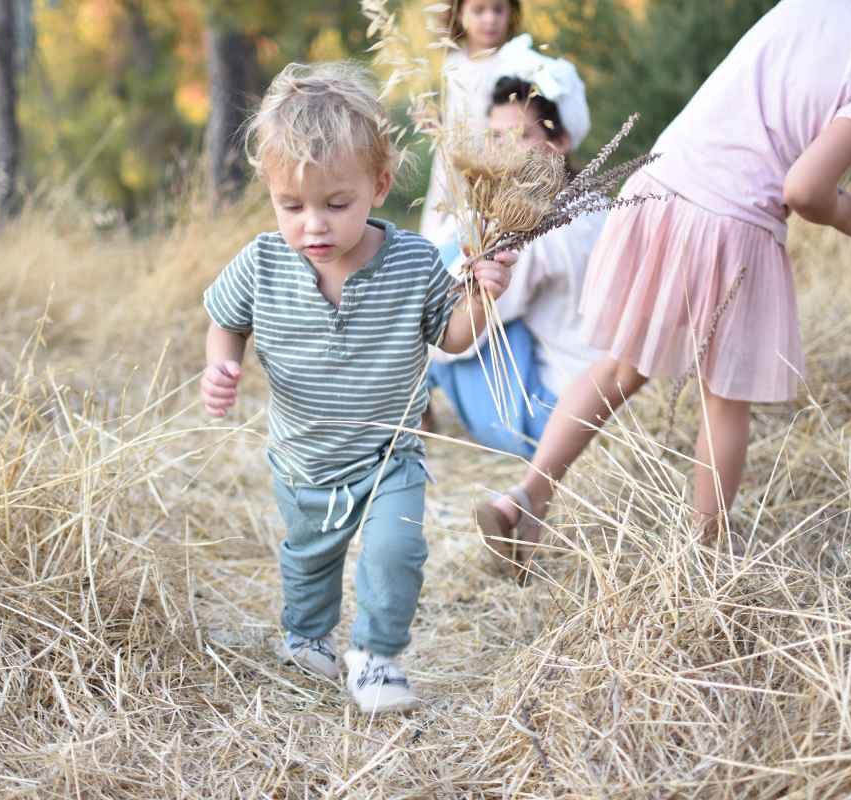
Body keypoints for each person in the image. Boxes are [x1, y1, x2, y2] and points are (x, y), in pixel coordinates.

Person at [473, 0, 851, 578]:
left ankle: (526, 496)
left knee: (619, 366)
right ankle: (706, 559)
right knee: (725, 402)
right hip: (729, 224)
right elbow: (805, 188)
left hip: (658, 192)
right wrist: (847, 212)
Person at [201, 62, 513, 713]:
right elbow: (225, 321)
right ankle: (308, 635)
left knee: (397, 548)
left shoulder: (412, 262)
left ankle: (376, 656)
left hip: (390, 451)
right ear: (271, 194)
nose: (313, 224)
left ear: (379, 185)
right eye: (292, 206)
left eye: (335, 205)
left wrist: (482, 299)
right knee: (310, 556)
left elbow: (452, 338)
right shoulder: (261, 262)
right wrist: (221, 366)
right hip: (304, 455)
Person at [426, 42, 604, 458]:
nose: (504, 152)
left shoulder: (539, 228)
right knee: (461, 265)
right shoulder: (593, 201)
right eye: (496, 138)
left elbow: (455, 332)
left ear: (558, 141)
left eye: (521, 136)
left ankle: (407, 408)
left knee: (443, 305)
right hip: (604, 402)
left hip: (551, 421)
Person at [420, 0, 524, 245]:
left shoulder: (515, 62)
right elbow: (458, 116)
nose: (490, 19)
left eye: (498, 10)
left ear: (511, 12)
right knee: (443, 227)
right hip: (452, 163)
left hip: (492, 165)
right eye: (479, 10)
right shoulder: (453, 62)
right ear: (459, 14)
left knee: (483, 232)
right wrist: (436, 123)